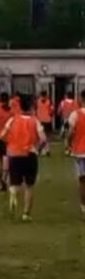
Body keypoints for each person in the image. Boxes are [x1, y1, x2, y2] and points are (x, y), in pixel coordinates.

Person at [0, 94, 46, 221]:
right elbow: (43, 139)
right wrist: (38, 149)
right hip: (30, 154)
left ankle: (13, 193)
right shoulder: (34, 121)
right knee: (29, 186)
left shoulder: (13, 120)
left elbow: (2, 136)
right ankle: (26, 214)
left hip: (14, 154)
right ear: (31, 107)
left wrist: (11, 144)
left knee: (14, 182)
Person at [65, 90, 85, 220]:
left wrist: (67, 143)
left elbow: (71, 132)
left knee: (83, 180)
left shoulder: (75, 114)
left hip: (80, 151)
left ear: (81, 98)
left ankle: (84, 207)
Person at [36, 91, 53, 156]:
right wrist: (49, 116)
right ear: (46, 95)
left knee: (40, 136)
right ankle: (47, 150)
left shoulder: (37, 101)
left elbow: (35, 110)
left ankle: (40, 149)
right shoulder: (49, 102)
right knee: (48, 136)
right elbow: (51, 111)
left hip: (40, 121)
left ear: (40, 95)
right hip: (47, 121)